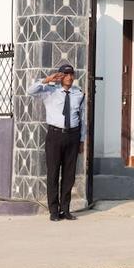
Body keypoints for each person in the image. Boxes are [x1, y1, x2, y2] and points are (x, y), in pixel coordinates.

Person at [28, 63, 86, 222]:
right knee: (53, 173)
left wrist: (81, 140)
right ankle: (54, 211)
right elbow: (30, 91)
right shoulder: (49, 91)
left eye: (72, 74)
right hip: (55, 136)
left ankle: (65, 210)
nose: (69, 77)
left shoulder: (78, 93)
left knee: (69, 175)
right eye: (66, 74)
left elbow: (82, 118)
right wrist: (47, 80)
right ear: (60, 76)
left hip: (73, 136)